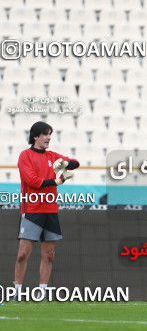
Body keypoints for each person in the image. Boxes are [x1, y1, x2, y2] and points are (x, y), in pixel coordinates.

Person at [14, 121, 80, 299]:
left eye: (50, 134)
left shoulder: (53, 156)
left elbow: (76, 163)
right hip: (32, 209)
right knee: (22, 255)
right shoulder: (25, 156)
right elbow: (33, 181)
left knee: (49, 255)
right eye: (45, 134)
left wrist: (66, 164)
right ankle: (17, 292)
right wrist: (56, 181)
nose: (49, 137)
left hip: (50, 210)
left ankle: (41, 293)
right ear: (35, 136)